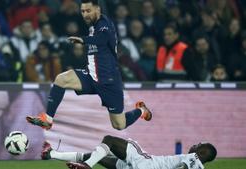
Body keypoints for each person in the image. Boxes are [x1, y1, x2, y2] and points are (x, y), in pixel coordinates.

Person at [26, 0, 152, 131]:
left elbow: (102, 39)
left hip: (109, 81)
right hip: (91, 76)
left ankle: (141, 110)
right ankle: (48, 119)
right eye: (83, 11)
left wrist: (83, 40)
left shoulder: (105, 23)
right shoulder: (92, 26)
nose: (85, 14)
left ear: (97, 9)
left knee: (119, 125)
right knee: (61, 79)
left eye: (88, 11)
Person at [39, 135, 217, 169]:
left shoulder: (194, 159)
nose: (194, 146)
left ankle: (86, 166)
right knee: (99, 157)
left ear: (202, 152)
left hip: (147, 164)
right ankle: (51, 154)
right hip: (138, 166)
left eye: (198, 145)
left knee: (109, 140)